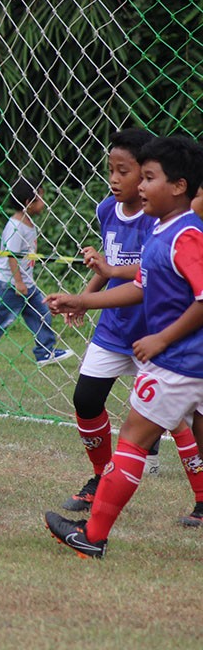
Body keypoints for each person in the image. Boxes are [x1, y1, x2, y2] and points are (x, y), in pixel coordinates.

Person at [44, 136, 203, 558]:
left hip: (181, 363)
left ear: (179, 187)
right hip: (183, 360)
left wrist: (162, 338)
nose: (141, 186)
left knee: (132, 441)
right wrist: (82, 299)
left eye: (149, 178)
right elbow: (138, 287)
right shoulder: (166, 232)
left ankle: (92, 537)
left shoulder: (184, 235)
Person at [0, 176, 73, 366]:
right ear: (28, 203)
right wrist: (18, 282)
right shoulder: (15, 226)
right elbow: (11, 255)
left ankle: (45, 352)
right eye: (40, 198)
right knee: (0, 319)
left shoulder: (29, 224)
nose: (44, 203)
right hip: (11, 285)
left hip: (26, 284)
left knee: (42, 314)